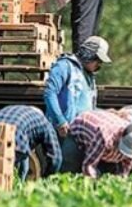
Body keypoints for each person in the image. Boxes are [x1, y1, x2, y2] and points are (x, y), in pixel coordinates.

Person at [43, 36, 110, 172]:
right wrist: (60, 120)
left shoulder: (89, 76)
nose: (99, 65)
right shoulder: (64, 66)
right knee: (63, 168)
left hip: (81, 133)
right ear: (89, 54)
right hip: (64, 131)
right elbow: (50, 93)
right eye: (97, 60)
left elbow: (89, 105)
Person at [0, 105, 62, 181]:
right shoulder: (44, 122)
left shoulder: (17, 110)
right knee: (14, 173)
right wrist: (46, 179)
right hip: (15, 135)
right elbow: (56, 158)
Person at [68, 110, 132, 178]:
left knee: (107, 171)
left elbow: (126, 167)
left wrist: (121, 180)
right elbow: (89, 165)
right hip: (80, 130)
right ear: (121, 135)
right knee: (71, 166)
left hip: (102, 145)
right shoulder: (105, 136)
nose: (123, 153)